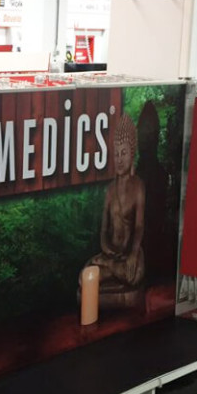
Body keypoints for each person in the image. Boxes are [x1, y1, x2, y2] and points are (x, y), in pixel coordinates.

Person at [84, 114, 145, 289]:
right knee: (84, 276)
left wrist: (133, 253)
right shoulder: (110, 190)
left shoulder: (138, 186)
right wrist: (107, 249)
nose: (119, 159)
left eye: (124, 153)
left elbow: (139, 226)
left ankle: (111, 268)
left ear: (132, 154)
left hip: (130, 255)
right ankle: (112, 267)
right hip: (111, 254)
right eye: (116, 153)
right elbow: (104, 229)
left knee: (133, 275)